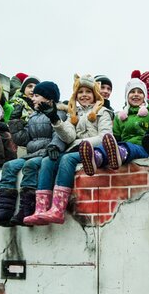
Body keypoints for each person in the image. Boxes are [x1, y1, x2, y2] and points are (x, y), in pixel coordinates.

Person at [24, 75, 114, 226]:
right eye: (80, 92)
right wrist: (55, 120)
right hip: (74, 149)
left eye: (88, 92)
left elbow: (105, 136)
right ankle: (41, 208)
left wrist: (81, 143)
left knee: (67, 159)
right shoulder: (74, 113)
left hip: (92, 150)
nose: (84, 95)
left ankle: (58, 209)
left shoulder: (103, 112)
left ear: (94, 95)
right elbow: (68, 136)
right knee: (47, 160)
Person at [0, 81, 68, 226]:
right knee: (9, 166)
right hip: (32, 153)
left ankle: (26, 210)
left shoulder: (59, 114)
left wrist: (54, 146)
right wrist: (15, 121)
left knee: (30, 165)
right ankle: (3, 211)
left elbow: (59, 135)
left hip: (46, 154)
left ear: (49, 99)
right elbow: (23, 139)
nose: (32, 98)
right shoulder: (33, 117)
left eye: (37, 95)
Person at [81, 74, 149, 175]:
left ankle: (119, 154)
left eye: (140, 92)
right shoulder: (120, 116)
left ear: (144, 96)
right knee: (109, 146)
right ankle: (96, 157)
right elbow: (114, 139)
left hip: (142, 147)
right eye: (132, 92)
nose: (136, 94)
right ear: (127, 96)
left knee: (127, 147)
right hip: (122, 145)